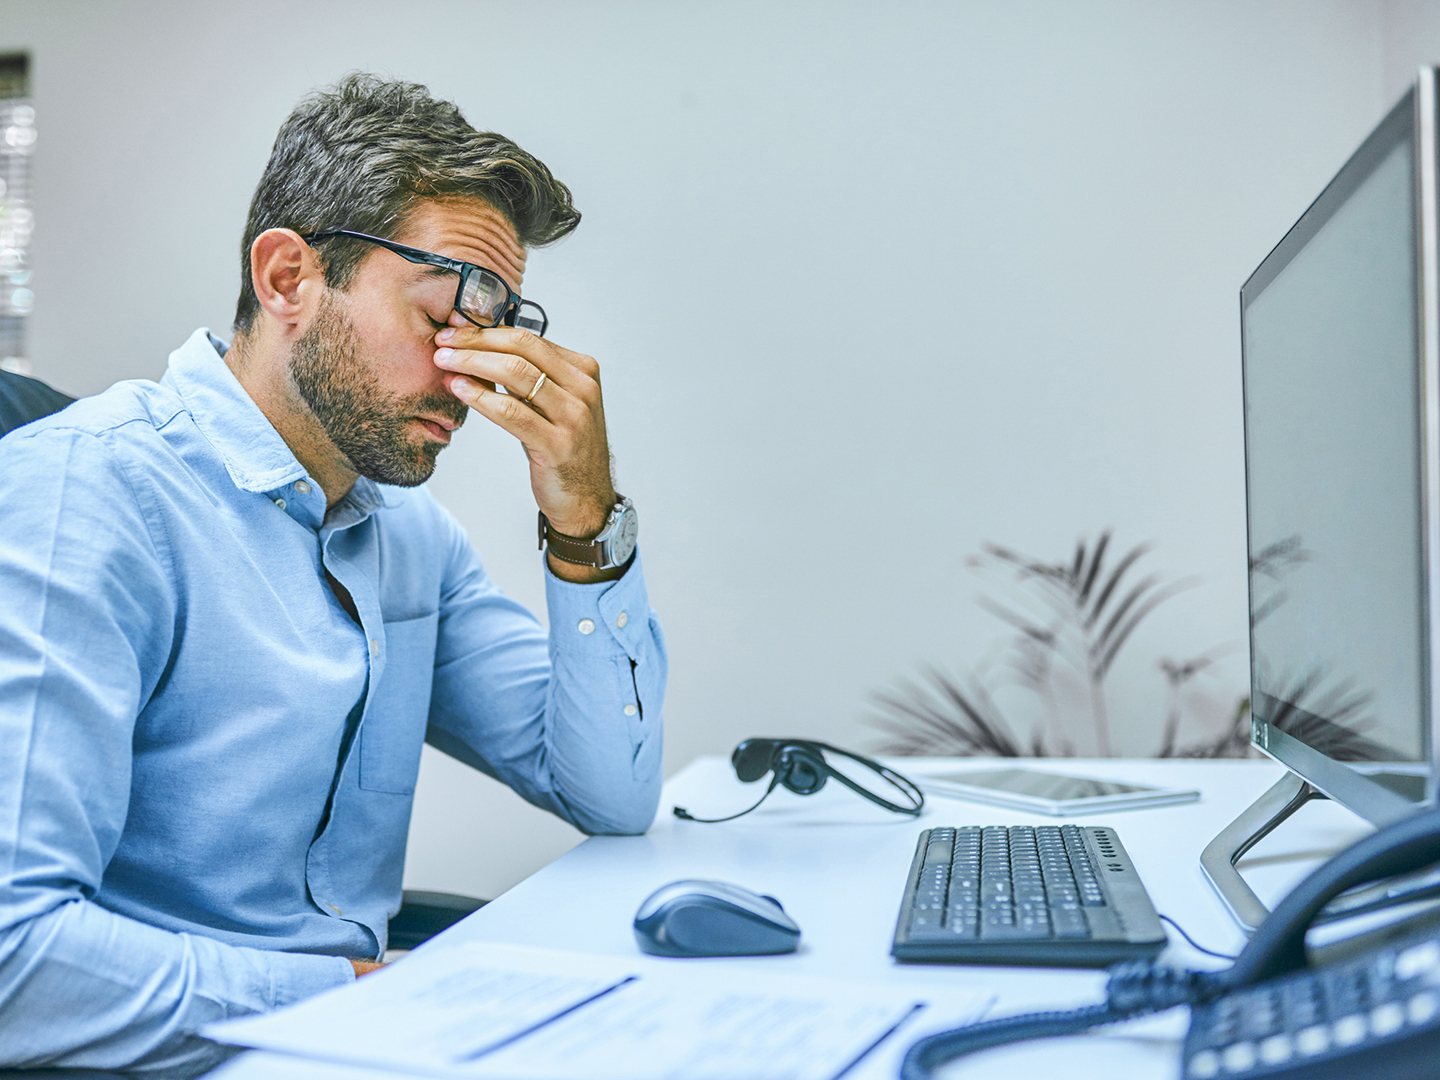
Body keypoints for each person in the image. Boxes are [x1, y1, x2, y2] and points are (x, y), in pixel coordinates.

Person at [0, 74, 665, 1071]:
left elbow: (608, 790)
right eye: (439, 317)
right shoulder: (86, 502)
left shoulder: (405, 534)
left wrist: (583, 518)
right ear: (287, 280)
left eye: (489, 334)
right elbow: (17, 965)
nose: (467, 374)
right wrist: (348, 993)